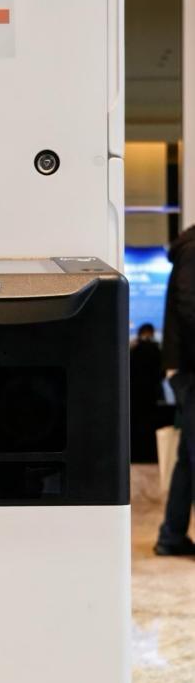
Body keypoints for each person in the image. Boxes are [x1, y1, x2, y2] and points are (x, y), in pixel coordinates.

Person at [157, 226, 195, 554]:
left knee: (187, 458)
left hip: (187, 368)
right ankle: (170, 537)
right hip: (192, 370)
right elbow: (189, 305)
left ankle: (171, 536)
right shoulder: (193, 250)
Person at [130, 322, 163, 463]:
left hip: (135, 394)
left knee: (135, 424)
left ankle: (135, 455)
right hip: (150, 394)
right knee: (150, 425)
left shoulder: (133, 349)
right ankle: (150, 455)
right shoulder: (156, 349)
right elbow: (161, 373)